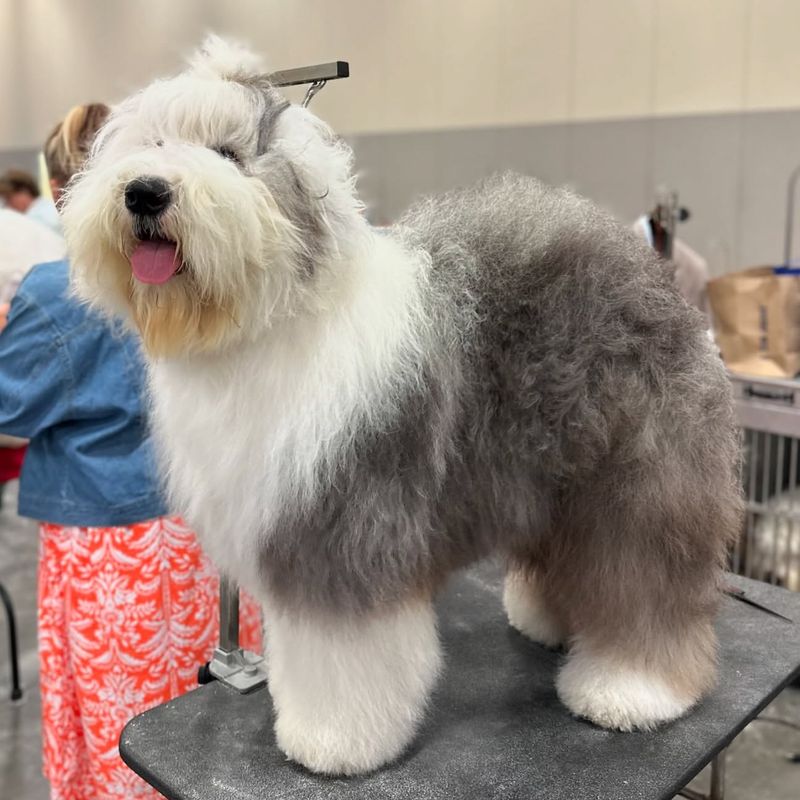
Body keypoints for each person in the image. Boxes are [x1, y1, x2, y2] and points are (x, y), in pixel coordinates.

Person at [0, 104, 263, 800]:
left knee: (130, 733)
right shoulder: (222, 268)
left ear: (64, 191)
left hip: (109, 549)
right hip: (212, 530)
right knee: (218, 722)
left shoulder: (62, 293)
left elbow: (8, 407)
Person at [0, 167, 62, 236]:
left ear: (24, 191)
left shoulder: (36, 218)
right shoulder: (48, 205)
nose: (8, 206)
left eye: (9, 198)